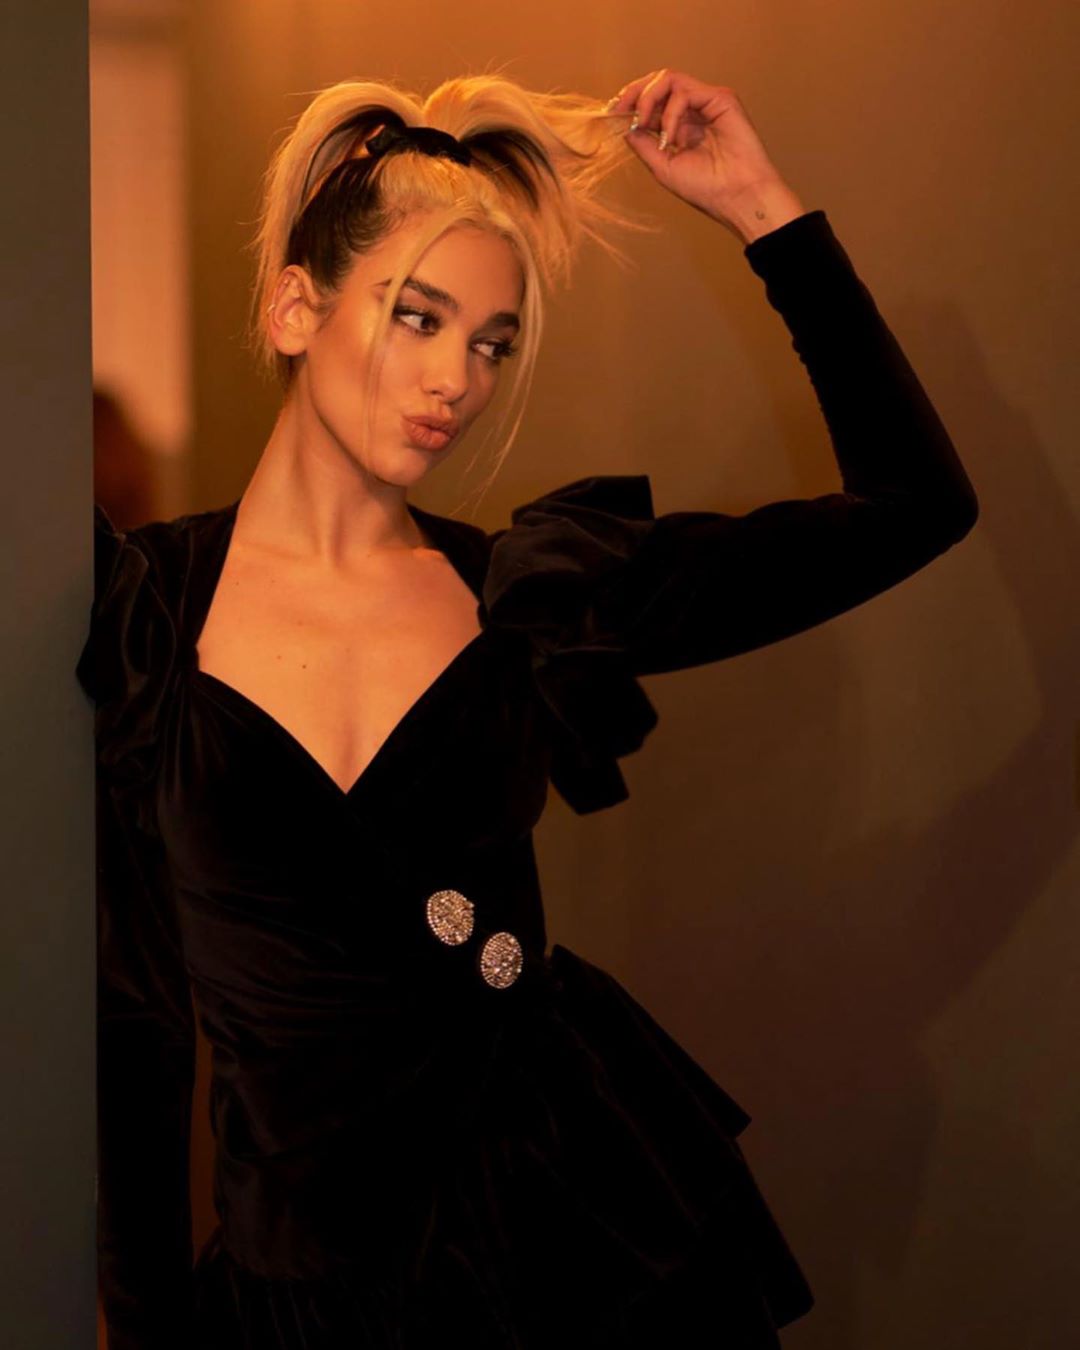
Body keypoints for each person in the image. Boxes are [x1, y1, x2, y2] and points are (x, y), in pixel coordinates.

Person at [76, 68, 979, 1350]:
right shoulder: (142, 619)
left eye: (491, 343)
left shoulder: (531, 599)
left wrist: (761, 209)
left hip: (567, 1258)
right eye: (418, 318)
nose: (456, 379)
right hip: (297, 1304)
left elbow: (914, 505)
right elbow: (137, 1023)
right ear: (294, 306)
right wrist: (141, 1325)